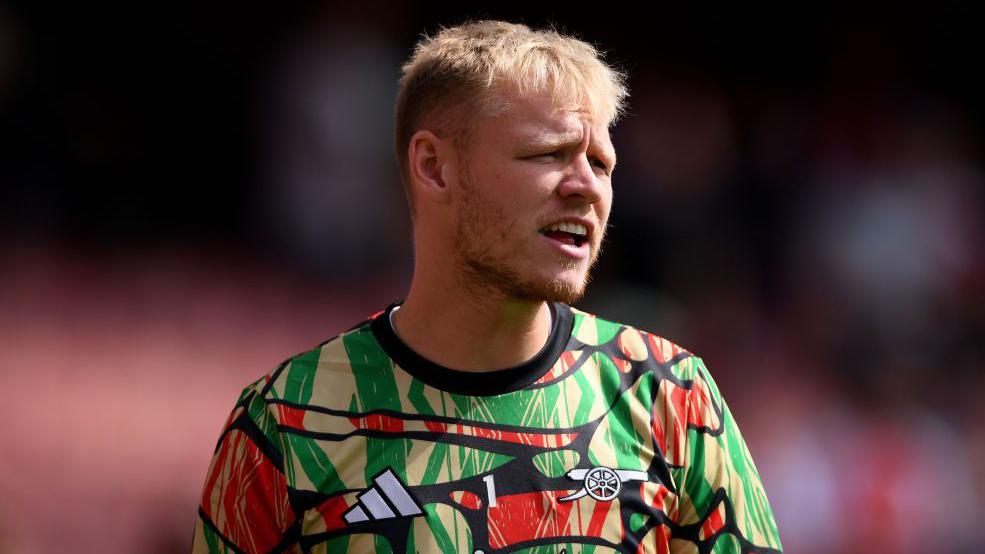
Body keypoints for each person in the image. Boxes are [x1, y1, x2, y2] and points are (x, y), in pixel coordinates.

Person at [191, 20, 782, 554]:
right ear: (435, 167)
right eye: (549, 153)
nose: (587, 187)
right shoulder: (286, 420)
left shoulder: (670, 398)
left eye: (601, 164)